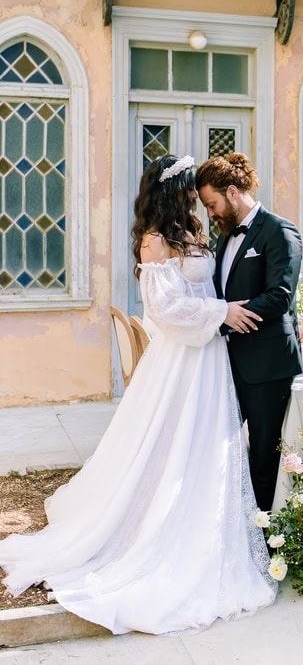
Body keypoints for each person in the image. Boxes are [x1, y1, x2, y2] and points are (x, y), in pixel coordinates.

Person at [0, 154, 276, 635]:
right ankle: (156, 526)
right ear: (173, 191)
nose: (196, 197)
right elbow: (165, 309)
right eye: (189, 188)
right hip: (183, 359)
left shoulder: (192, 231)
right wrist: (221, 313)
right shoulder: (154, 239)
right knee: (170, 443)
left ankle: (203, 525)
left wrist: (223, 311)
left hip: (210, 358)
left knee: (205, 444)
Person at [196, 152, 303, 512]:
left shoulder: (280, 231)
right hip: (229, 359)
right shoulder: (225, 238)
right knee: (219, 443)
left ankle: (263, 529)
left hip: (268, 363)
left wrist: (228, 316)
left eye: (212, 205)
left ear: (232, 192)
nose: (210, 214)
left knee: (263, 452)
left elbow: (280, 296)